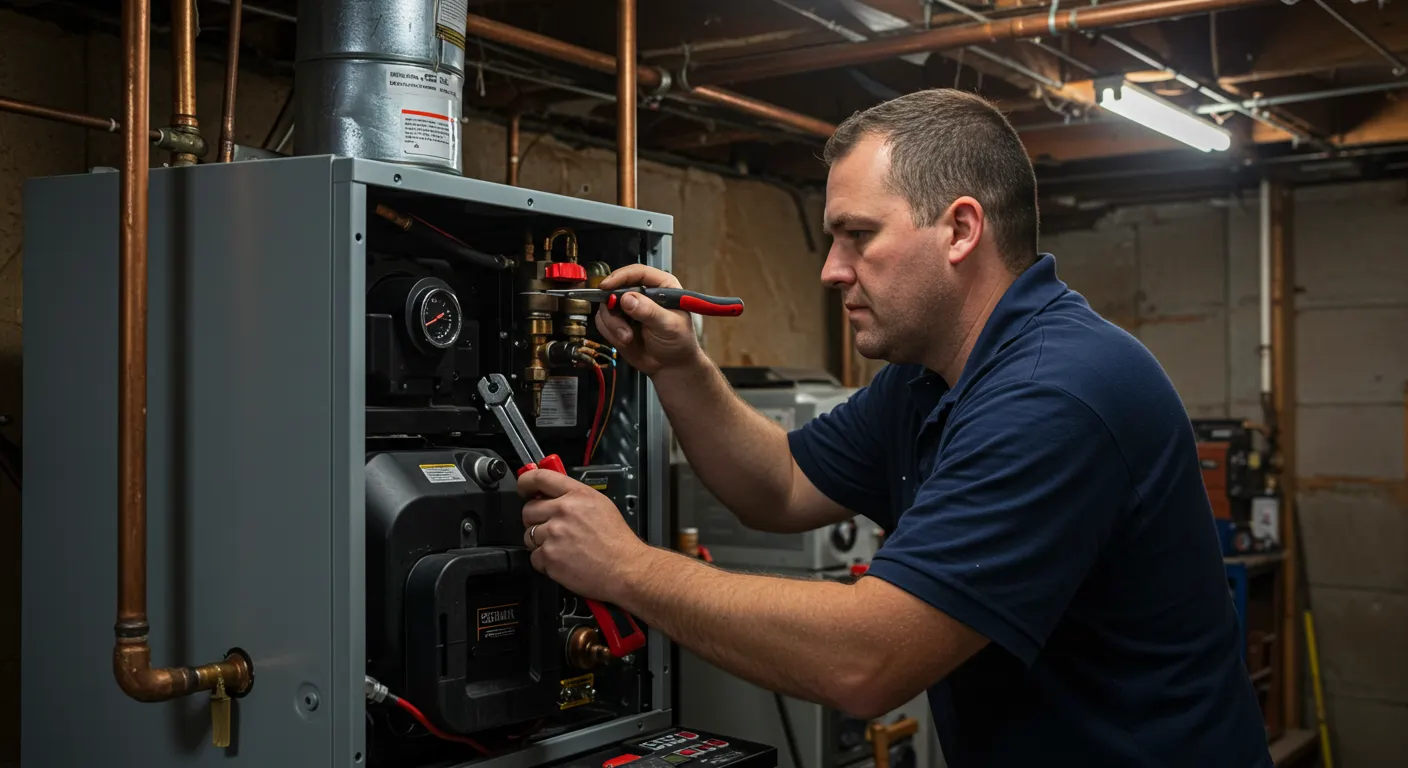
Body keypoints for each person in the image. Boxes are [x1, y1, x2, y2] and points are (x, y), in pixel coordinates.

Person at [515, 88, 1272, 767]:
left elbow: (865, 662)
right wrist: (680, 367)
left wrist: (627, 568)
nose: (831, 269)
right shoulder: (927, 376)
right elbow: (778, 485)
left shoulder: (1054, 393)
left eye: (859, 236)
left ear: (960, 229)